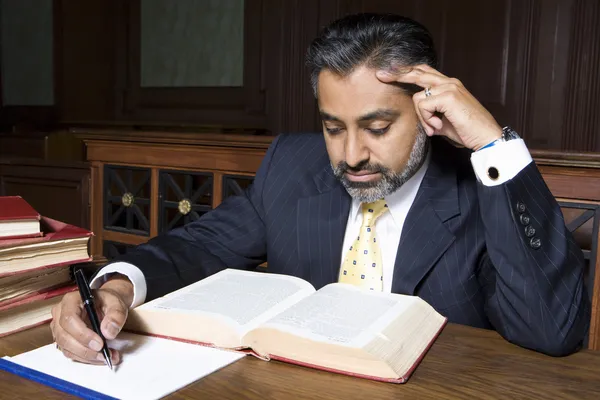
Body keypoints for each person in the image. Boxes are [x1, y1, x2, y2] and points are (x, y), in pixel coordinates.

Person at [51, 13, 590, 366]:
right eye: (334, 127)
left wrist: (492, 145)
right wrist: (118, 285)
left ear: (430, 109)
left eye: (377, 129)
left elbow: (551, 329)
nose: (351, 155)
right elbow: (200, 245)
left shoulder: (478, 191)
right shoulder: (292, 165)